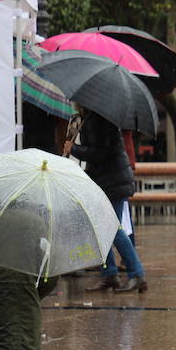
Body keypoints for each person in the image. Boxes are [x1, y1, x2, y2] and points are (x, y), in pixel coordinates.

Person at [67, 108, 147, 293]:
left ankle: (137, 273)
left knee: (113, 229)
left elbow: (99, 153)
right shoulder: (91, 118)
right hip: (107, 181)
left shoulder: (99, 119)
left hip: (113, 182)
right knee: (102, 230)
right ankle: (110, 274)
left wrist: (74, 149)